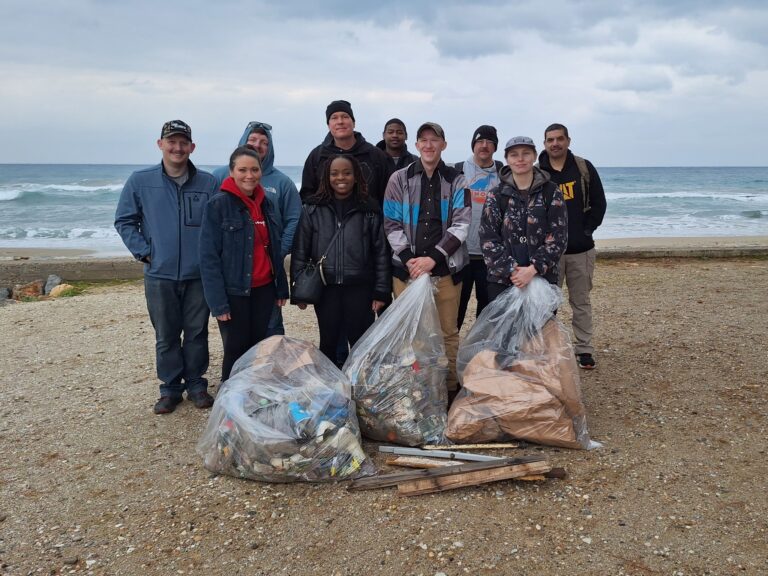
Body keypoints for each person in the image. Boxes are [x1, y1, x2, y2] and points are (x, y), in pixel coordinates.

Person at [115, 120, 218, 414]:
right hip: (159, 274)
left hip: (198, 275)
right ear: (160, 144)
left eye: (183, 142)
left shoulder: (208, 183)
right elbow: (124, 220)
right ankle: (170, 389)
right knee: (166, 334)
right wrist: (144, 252)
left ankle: (197, 385)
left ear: (192, 147)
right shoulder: (140, 180)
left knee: (197, 333)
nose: (177, 147)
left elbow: (217, 223)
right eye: (171, 142)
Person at [383, 122, 471, 394]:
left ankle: (450, 388)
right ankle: (420, 389)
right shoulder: (399, 179)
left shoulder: (457, 180)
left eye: (435, 140)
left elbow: (461, 225)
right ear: (417, 145)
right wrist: (410, 259)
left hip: (445, 270)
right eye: (424, 140)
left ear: (443, 145)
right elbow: (391, 222)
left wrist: (432, 258)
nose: (429, 145)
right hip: (407, 272)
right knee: (413, 334)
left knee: (447, 333)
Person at [290, 155, 391, 367]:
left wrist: (381, 290)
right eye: (334, 173)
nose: (340, 178)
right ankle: (331, 391)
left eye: (347, 172)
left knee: (361, 345)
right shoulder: (312, 208)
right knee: (328, 343)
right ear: (326, 178)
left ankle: (360, 391)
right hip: (326, 289)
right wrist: (298, 291)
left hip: (360, 288)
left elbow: (381, 252)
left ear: (356, 177)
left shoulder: (369, 209)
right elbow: (300, 250)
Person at [199, 147, 289, 382]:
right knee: (235, 349)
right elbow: (208, 258)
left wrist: (281, 288)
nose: (249, 175)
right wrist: (218, 303)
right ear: (231, 172)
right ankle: (229, 403)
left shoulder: (266, 203)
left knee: (257, 348)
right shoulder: (218, 205)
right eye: (242, 170)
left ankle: (252, 394)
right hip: (235, 291)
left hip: (264, 289)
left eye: (254, 169)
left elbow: (274, 248)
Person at [212, 121, 301, 336]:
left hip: (268, 273)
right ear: (242, 142)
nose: (258, 145)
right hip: (233, 276)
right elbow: (209, 225)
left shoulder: (282, 182)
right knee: (237, 337)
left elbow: (294, 219)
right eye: (252, 140)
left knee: (270, 331)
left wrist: (279, 252)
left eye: (264, 142)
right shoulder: (219, 176)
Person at [538, 123, 607, 369]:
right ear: (544, 143)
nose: (555, 143)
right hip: (549, 254)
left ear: (568, 140)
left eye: (559, 139)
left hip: (580, 250)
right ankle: (549, 348)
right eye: (550, 140)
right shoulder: (539, 173)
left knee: (581, 302)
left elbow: (599, 202)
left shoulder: (583, 168)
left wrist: (586, 230)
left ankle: (584, 349)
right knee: (547, 305)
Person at [479, 136, 568, 301]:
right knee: (504, 327)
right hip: (502, 281)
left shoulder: (551, 191)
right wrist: (513, 270)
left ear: (534, 156)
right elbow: (488, 238)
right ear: (506, 159)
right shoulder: (496, 194)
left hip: (542, 279)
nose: (520, 159)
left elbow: (559, 237)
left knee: (541, 327)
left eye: (526, 153)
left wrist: (532, 269)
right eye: (514, 155)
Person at [454, 125, 503, 329]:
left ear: (495, 147)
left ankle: (480, 353)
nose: (484, 146)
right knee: (455, 310)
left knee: (487, 310)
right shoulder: (457, 170)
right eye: (480, 141)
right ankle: (451, 353)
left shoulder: (503, 172)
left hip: (489, 256)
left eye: (489, 142)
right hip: (460, 253)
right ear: (473, 145)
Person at [300, 100, 391, 205]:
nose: (340, 121)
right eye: (334, 118)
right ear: (329, 125)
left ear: (354, 123)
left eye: (345, 117)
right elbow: (306, 196)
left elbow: (388, 197)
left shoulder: (376, 155)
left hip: (369, 219)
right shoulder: (316, 156)